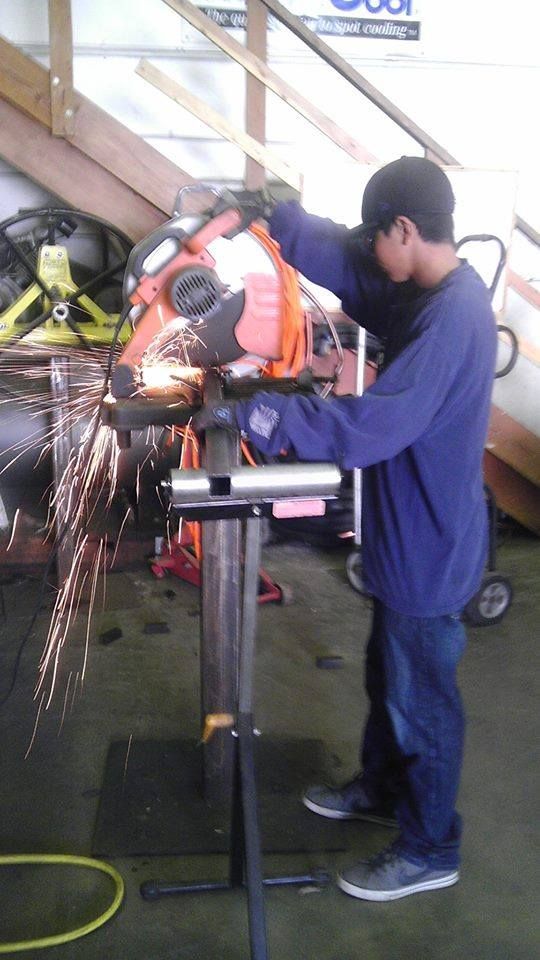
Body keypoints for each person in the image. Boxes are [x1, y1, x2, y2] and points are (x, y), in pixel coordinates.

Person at [194, 157, 497, 901]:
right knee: (387, 677)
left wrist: (262, 412)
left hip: (430, 550)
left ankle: (430, 848)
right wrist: (279, 216)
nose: (369, 256)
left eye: (377, 238)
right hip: (404, 544)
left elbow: (371, 429)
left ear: (405, 229)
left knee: (421, 702)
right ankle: (382, 790)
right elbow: (355, 269)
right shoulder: (419, 290)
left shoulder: (451, 318)